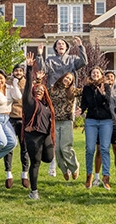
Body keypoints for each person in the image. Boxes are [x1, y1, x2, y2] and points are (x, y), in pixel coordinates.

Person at [36, 36, 88, 177]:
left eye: (63, 44)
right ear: (55, 48)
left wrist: (80, 46)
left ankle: (72, 166)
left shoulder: (72, 59)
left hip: (68, 98)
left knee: (65, 141)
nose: (60, 45)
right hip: (54, 96)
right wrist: (39, 55)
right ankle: (61, 167)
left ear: (66, 47)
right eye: (58, 44)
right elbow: (42, 69)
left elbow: (84, 61)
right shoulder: (50, 60)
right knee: (56, 143)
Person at [23, 52, 56, 200]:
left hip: (46, 135)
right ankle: (33, 191)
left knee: (49, 158)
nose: (39, 90)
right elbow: (29, 86)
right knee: (35, 163)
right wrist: (30, 69)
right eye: (37, 89)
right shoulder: (29, 103)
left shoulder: (47, 106)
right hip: (33, 135)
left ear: (45, 93)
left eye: (42, 89)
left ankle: (39, 153)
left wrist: (40, 80)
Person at [77, 66, 112, 190]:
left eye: (97, 73)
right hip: (91, 120)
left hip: (106, 121)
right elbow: (84, 104)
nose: (95, 74)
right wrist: (80, 110)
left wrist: (103, 94)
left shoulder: (106, 86)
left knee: (104, 149)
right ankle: (89, 175)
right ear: (90, 75)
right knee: (90, 149)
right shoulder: (86, 88)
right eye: (93, 73)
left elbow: (109, 102)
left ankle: (106, 177)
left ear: (101, 74)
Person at [48, 72, 82, 181]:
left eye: (70, 79)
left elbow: (86, 92)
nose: (67, 80)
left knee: (65, 148)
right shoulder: (52, 90)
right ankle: (64, 169)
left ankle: (74, 168)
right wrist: (38, 80)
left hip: (67, 121)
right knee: (57, 149)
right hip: (54, 122)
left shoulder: (72, 91)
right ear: (62, 77)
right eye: (66, 77)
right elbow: (41, 93)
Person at [92, 71, 116, 186]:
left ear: (114, 79)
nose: (110, 79)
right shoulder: (98, 89)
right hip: (102, 122)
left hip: (115, 124)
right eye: (107, 77)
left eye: (112, 77)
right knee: (99, 150)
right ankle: (96, 177)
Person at [2, 64, 30, 189]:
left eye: (20, 71)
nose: (18, 73)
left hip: (24, 118)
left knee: (24, 148)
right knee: (9, 146)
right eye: (16, 71)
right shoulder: (7, 83)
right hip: (10, 118)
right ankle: (8, 174)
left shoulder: (28, 83)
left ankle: (25, 174)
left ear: (23, 72)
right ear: (12, 72)